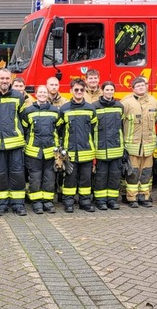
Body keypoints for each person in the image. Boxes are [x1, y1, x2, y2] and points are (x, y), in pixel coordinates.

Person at [0, 68, 27, 216]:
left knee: (17, 175)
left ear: (11, 80)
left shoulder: (18, 97)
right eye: (2, 78)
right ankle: (1, 205)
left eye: (7, 78)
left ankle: (18, 205)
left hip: (15, 144)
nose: (4, 81)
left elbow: (23, 120)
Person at [21, 85, 63, 214]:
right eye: (40, 92)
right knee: (35, 178)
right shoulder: (28, 111)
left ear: (48, 94)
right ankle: (36, 202)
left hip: (51, 151)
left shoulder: (55, 111)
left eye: (45, 92)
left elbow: (59, 129)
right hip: (33, 151)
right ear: (36, 94)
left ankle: (48, 201)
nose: (42, 94)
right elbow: (24, 130)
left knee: (49, 177)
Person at [59, 79, 97, 213]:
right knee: (70, 179)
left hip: (86, 151)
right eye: (76, 89)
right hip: (70, 152)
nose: (79, 92)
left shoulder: (90, 109)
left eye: (81, 90)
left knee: (86, 179)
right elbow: (60, 130)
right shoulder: (64, 109)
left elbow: (93, 129)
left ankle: (85, 202)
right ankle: (68, 202)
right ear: (71, 91)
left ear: (84, 91)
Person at [121, 77, 157, 208]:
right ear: (133, 88)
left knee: (146, 173)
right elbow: (121, 122)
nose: (141, 87)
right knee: (133, 173)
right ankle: (132, 198)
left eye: (143, 85)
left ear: (146, 86)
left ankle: (145, 197)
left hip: (148, 146)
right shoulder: (126, 103)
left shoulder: (154, 102)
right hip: (132, 146)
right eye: (138, 86)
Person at [92, 81, 124, 211]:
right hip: (101, 148)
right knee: (101, 176)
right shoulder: (95, 107)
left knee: (114, 176)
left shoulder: (119, 106)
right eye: (107, 90)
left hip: (116, 148)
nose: (109, 92)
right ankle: (100, 200)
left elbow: (122, 127)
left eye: (111, 90)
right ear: (102, 91)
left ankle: (112, 200)